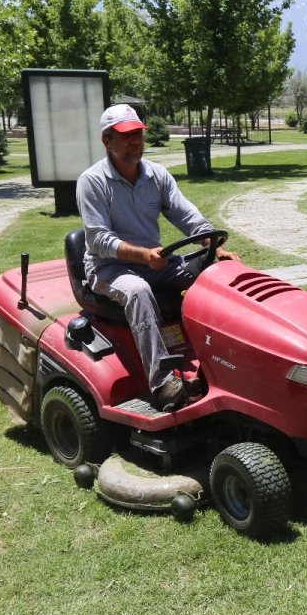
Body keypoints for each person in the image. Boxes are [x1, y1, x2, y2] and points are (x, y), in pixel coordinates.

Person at [76, 104, 238, 410]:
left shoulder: (156, 175)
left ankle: (225, 360)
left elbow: (188, 217)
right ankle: (163, 384)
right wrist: (142, 255)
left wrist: (215, 248)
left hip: (154, 262)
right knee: (138, 292)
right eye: (126, 136)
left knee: (213, 275)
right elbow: (97, 239)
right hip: (109, 267)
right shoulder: (92, 181)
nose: (135, 141)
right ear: (106, 141)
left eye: (138, 133)